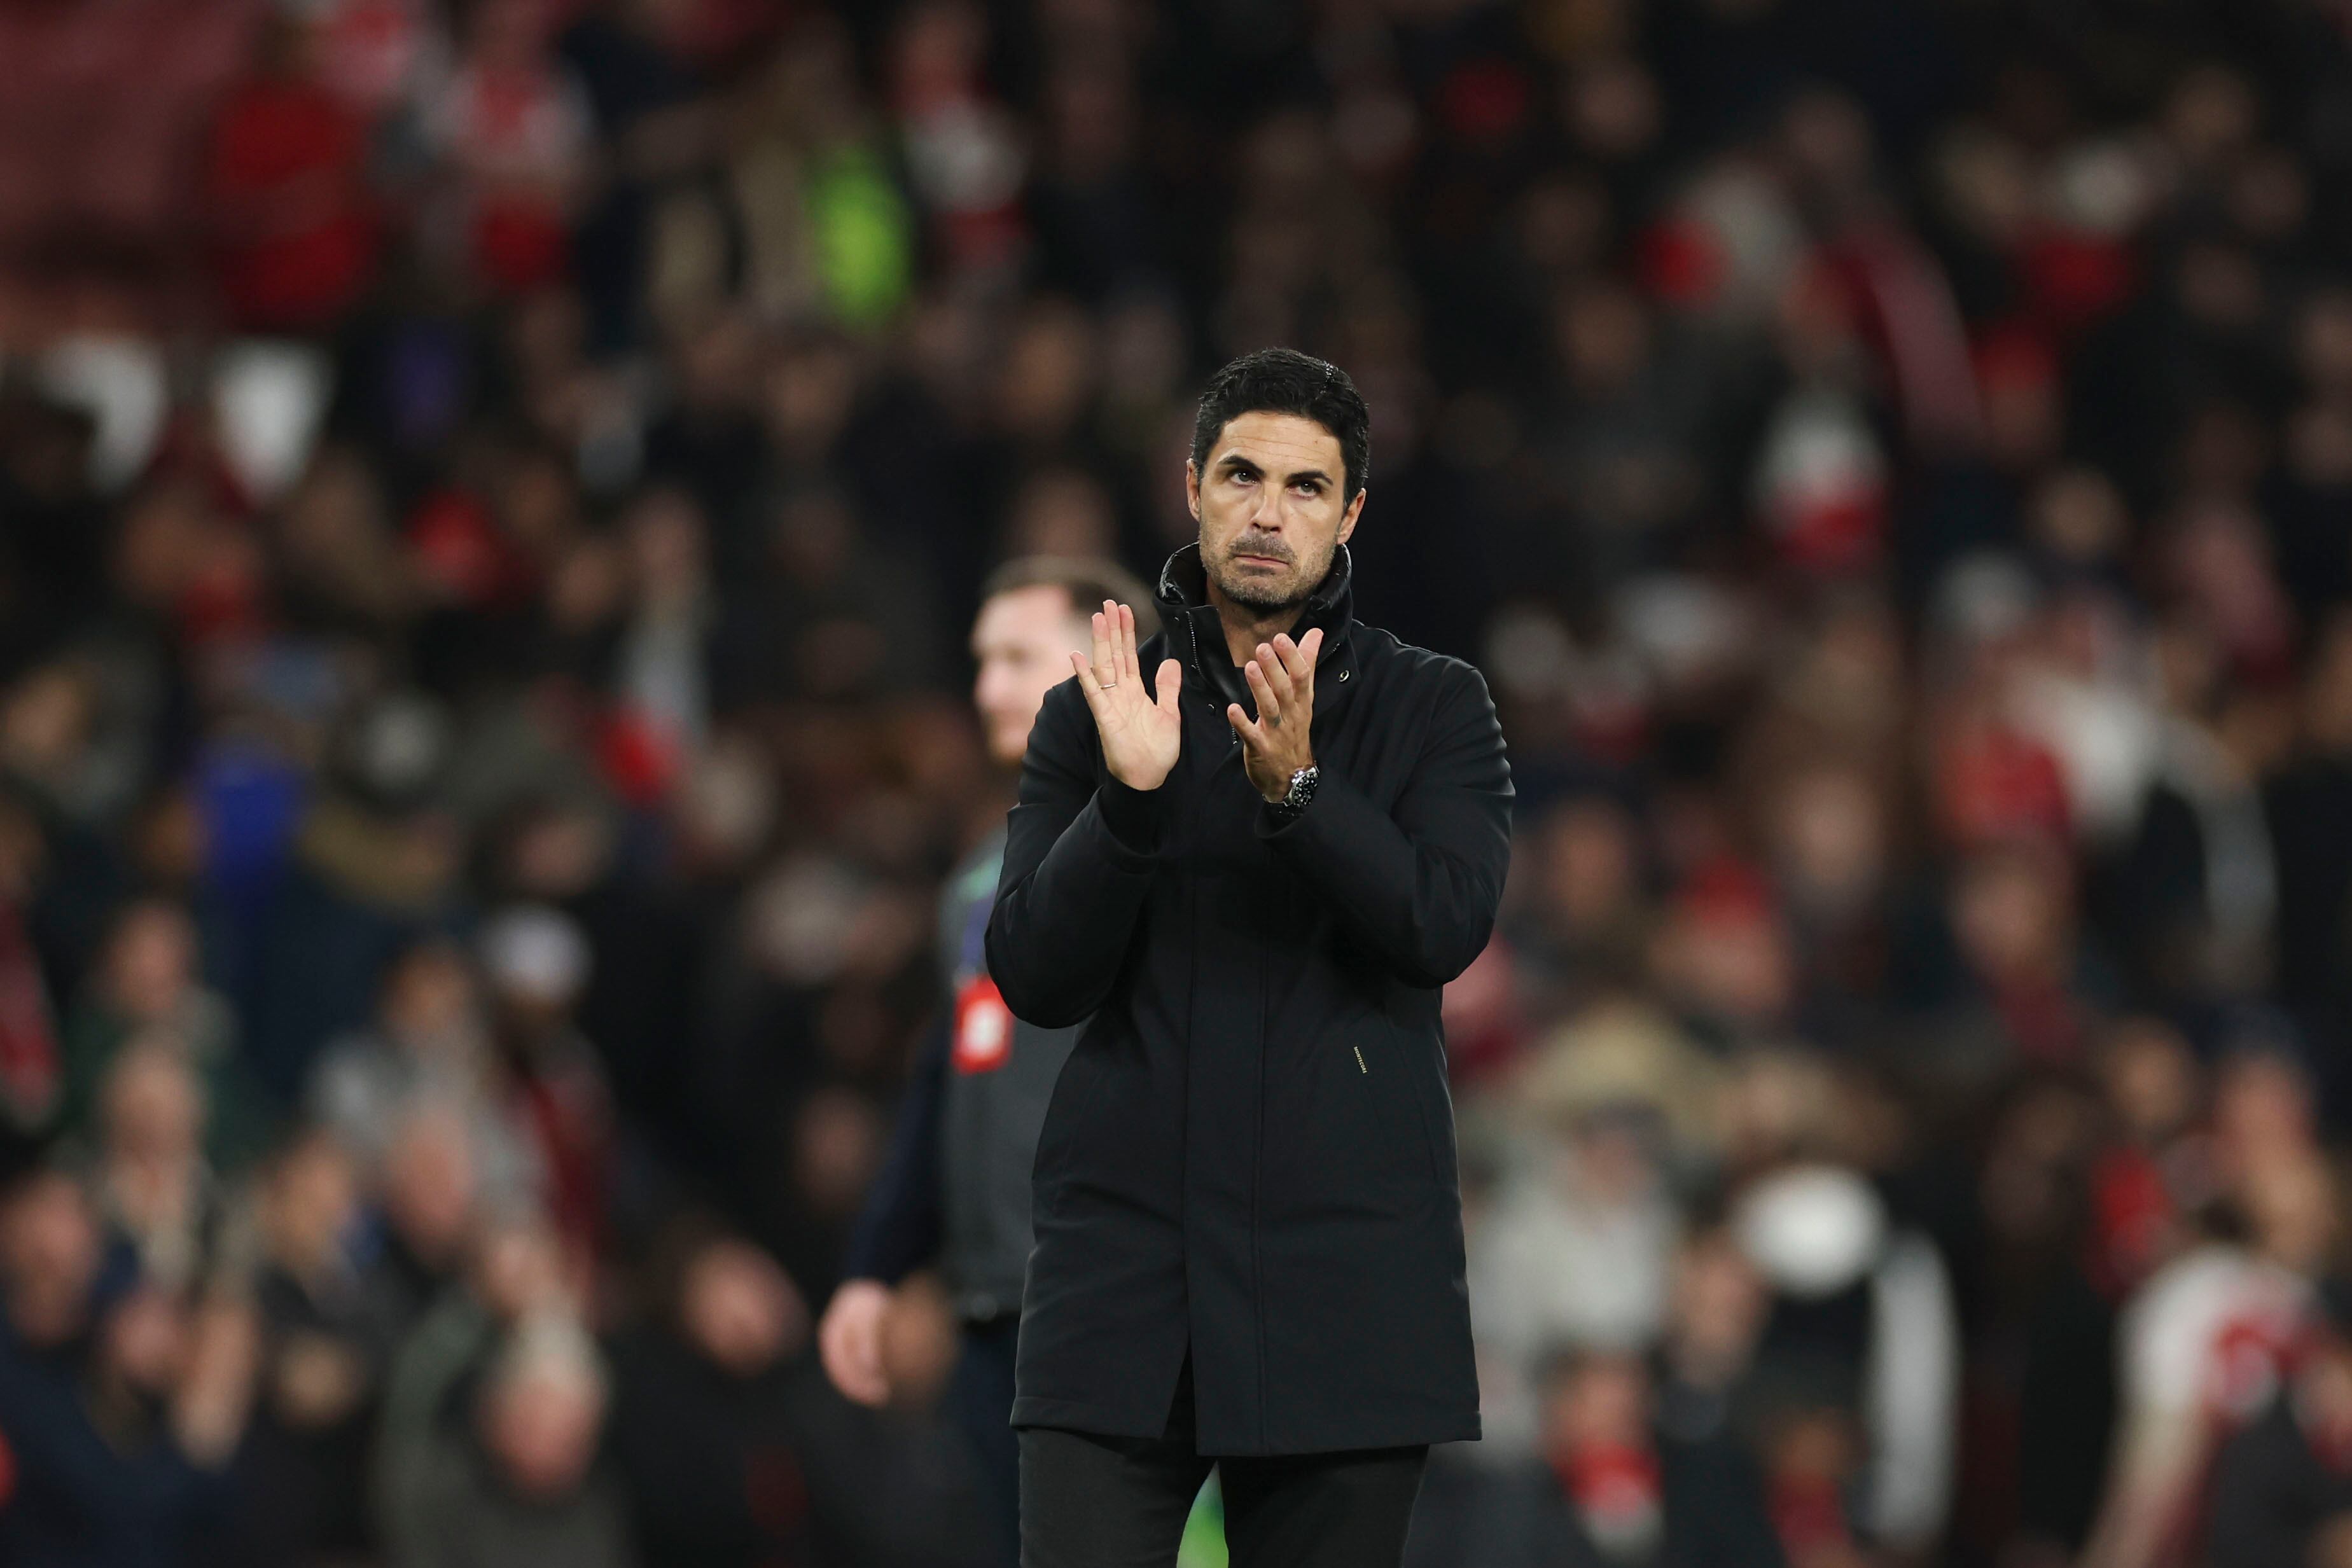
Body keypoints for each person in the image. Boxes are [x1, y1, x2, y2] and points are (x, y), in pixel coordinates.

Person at [987, 348, 1514, 1566]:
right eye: (1240, 475)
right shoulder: (1097, 708)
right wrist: (1126, 805)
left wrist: (1304, 796)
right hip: (1120, 1289)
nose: (1268, 511)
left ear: (1351, 515)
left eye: (1305, 486)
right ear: (1191, 488)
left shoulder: (1432, 706)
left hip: (1344, 1293)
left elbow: (1440, 927)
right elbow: (1033, 975)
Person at [818, 553, 1157, 1565]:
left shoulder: (1185, 851)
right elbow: (947, 1084)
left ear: (1108, 656)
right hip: (994, 1312)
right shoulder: (978, 880)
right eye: (981, 660)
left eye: (1015, 656)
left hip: (1127, 1308)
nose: (986, 688)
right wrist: (877, 1266)